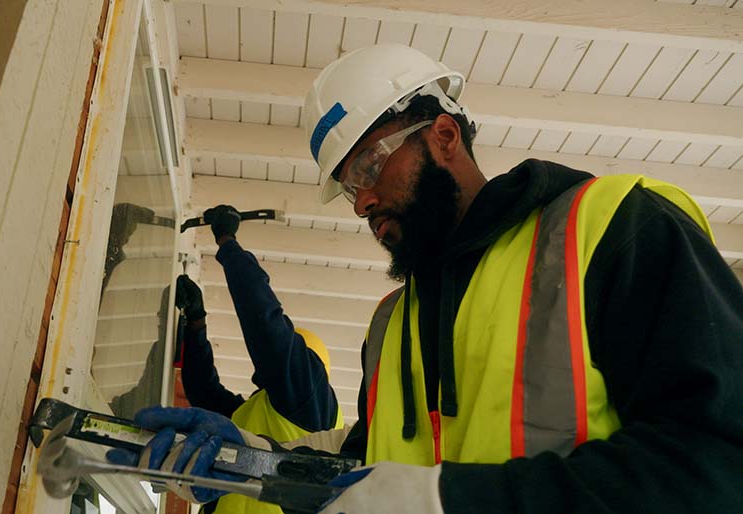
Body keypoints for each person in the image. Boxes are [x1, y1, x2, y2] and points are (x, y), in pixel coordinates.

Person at [108, 44, 743, 513]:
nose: (359, 202)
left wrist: (453, 502)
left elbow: (720, 464)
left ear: (443, 136)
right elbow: (364, 475)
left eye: (368, 167)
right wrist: (246, 455)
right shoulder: (392, 325)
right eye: (348, 185)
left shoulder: (612, 230)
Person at [171, 206, 344, 514]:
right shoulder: (258, 415)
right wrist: (195, 322)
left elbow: (265, 324)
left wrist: (228, 242)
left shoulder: (310, 399)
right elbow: (204, 395)